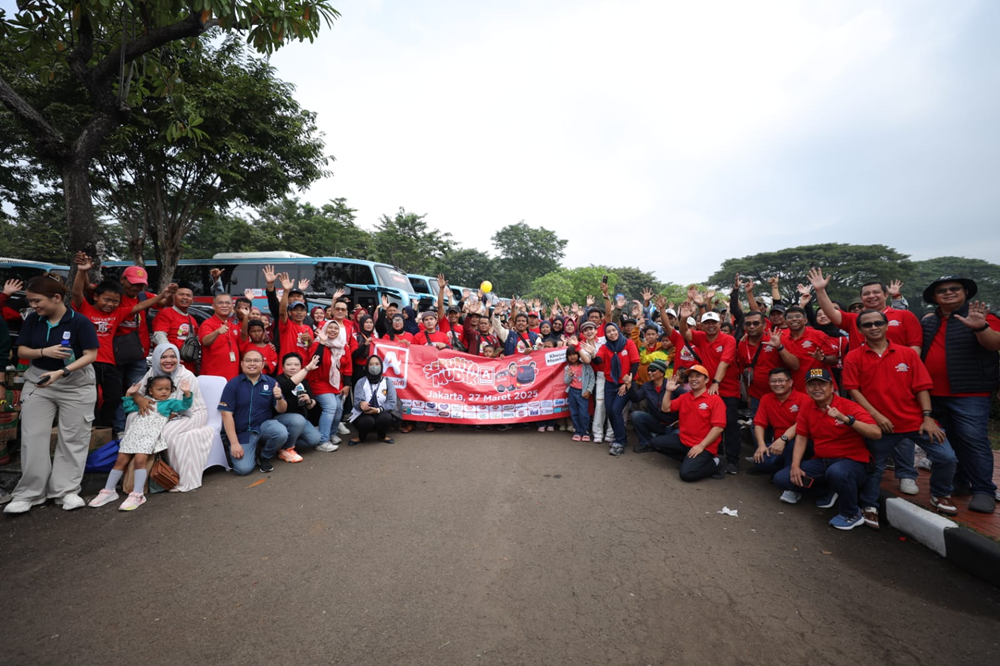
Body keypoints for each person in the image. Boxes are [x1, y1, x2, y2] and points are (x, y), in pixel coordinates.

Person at [844, 309, 959, 527]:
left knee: (947, 457)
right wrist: (876, 416)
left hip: (916, 421)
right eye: (867, 325)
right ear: (860, 330)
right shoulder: (854, 356)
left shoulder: (907, 354)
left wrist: (927, 417)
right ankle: (869, 505)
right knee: (875, 467)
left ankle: (941, 493)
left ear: (887, 326)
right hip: (882, 426)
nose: (873, 327)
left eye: (878, 323)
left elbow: (922, 388)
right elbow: (853, 390)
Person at [4, 276, 99, 514]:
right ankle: (29, 493)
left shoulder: (80, 321)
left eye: (37, 301)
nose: (33, 306)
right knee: (32, 435)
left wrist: (62, 371)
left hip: (75, 383)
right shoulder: (33, 320)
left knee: (73, 437)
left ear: (56, 298)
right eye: (30, 301)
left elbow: (90, 355)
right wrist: (44, 351)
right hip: (39, 380)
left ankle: (66, 491)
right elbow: (22, 350)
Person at [920, 275, 1000, 513]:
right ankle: (959, 482)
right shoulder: (928, 321)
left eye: (954, 288)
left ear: (965, 292)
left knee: (973, 440)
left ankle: (984, 489)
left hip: (970, 392)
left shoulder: (983, 316)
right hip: (934, 393)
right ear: (934, 298)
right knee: (948, 441)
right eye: (941, 290)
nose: (948, 292)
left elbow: (994, 344)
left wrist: (981, 327)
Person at [71, 253, 172, 428]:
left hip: (118, 360)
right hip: (93, 360)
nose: (111, 303)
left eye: (115, 301)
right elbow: (79, 290)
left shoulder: (119, 311)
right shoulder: (90, 307)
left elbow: (142, 306)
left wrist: (163, 294)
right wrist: (82, 271)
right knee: (91, 397)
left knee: (116, 396)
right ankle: (95, 427)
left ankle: (107, 427)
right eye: (107, 300)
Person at [773, 369, 882, 530]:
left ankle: (851, 513)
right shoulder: (807, 407)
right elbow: (801, 438)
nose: (817, 388)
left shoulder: (847, 406)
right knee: (782, 478)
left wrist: (845, 419)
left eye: (821, 384)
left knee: (837, 472)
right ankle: (829, 490)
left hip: (852, 463)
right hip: (822, 462)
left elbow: (876, 433)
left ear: (832, 387)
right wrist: (795, 466)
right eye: (812, 385)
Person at [88, 375, 193, 511]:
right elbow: (128, 408)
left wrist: (186, 392)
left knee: (139, 461)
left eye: (167, 389)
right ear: (150, 391)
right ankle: (108, 491)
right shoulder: (144, 401)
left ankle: (138, 494)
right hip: (133, 435)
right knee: (120, 461)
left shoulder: (170, 403)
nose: (164, 392)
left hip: (148, 437)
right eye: (159, 389)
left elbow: (185, 405)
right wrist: (128, 394)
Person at [129, 344, 217, 492]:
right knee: (132, 418)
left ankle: (173, 478)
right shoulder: (152, 372)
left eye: (173, 356)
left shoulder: (185, 376)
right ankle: (137, 473)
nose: (168, 360)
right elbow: (137, 391)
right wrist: (139, 399)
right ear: (156, 358)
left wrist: (155, 420)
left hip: (191, 412)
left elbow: (180, 407)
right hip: (162, 412)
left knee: (167, 433)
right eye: (163, 357)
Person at [673, 304, 742, 474]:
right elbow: (685, 333)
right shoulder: (701, 337)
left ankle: (732, 460)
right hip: (708, 389)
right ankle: (713, 455)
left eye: (714, 322)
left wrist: (716, 382)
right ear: (702, 326)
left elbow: (724, 362)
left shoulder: (728, 339)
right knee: (710, 423)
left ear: (720, 323)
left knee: (730, 423)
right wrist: (683, 318)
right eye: (707, 323)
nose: (711, 325)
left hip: (727, 389)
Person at [809, 268, 922, 353]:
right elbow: (831, 312)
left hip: (897, 372)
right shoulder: (853, 318)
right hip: (862, 375)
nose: (871, 296)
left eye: (876, 292)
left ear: (886, 295)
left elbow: (915, 346)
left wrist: (908, 369)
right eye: (866, 294)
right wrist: (820, 290)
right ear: (862, 298)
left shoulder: (905, 315)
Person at [648, 365, 726, 482]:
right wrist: (668, 391)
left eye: (698, 376)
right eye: (691, 376)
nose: (693, 379)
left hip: (704, 446)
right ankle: (689, 460)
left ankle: (716, 462)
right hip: (684, 441)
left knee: (687, 474)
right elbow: (666, 408)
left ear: (706, 380)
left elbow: (718, 428)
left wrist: (701, 446)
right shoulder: (685, 397)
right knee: (655, 443)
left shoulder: (715, 400)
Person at [218, 349, 289, 475]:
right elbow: (226, 414)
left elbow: (281, 409)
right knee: (243, 469)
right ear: (242, 364)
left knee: (281, 432)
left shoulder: (271, 382)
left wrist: (279, 398)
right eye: (248, 360)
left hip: (262, 427)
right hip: (242, 433)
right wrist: (234, 443)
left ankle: (264, 456)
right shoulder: (233, 384)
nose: (252, 363)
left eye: (256, 361)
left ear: (262, 364)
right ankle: (247, 449)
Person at [736, 311, 800, 415]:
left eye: (756, 323)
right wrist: (748, 396)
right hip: (756, 397)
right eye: (748, 324)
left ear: (764, 325)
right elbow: (744, 373)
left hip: (779, 395)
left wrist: (779, 347)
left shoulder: (777, 339)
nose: (752, 326)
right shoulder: (742, 344)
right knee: (757, 427)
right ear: (744, 326)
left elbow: (795, 365)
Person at [751, 368, 809, 478]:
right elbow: (759, 423)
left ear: (790, 382)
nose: (777, 384)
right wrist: (761, 445)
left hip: (798, 440)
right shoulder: (766, 399)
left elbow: (801, 424)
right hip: (777, 441)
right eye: (773, 381)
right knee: (761, 461)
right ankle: (781, 471)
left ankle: (789, 478)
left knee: (792, 445)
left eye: (781, 380)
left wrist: (783, 439)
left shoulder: (804, 399)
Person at [306, 319, 352, 448]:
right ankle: (322, 441)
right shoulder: (316, 344)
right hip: (319, 382)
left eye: (335, 328)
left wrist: (347, 384)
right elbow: (316, 362)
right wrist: (322, 342)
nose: (333, 330)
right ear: (325, 329)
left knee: (339, 409)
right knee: (331, 406)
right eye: (330, 327)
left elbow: (347, 367)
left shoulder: (343, 345)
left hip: (337, 383)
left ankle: (331, 434)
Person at [274, 353, 324, 461]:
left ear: (300, 367)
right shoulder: (278, 381)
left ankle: (279, 446)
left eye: (296, 365)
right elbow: (288, 386)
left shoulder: (304, 382)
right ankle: (288, 448)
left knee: (314, 440)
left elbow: (311, 405)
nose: (293, 367)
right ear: (283, 367)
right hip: (281, 418)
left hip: (300, 420)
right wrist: (307, 369)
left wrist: (309, 401)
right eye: (289, 364)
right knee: (298, 419)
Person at [623, 359, 676, 453]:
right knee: (636, 415)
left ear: (662, 373)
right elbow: (635, 398)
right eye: (649, 370)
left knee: (676, 442)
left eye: (653, 370)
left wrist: (681, 420)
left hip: (672, 425)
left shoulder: (671, 385)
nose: (649, 372)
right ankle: (646, 443)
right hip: (656, 422)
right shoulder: (646, 386)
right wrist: (629, 386)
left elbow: (687, 401)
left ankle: (658, 440)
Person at [348, 355, 399, 445]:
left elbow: (392, 402)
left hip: (381, 412)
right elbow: (356, 402)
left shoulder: (387, 381)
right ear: (367, 367)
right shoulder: (361, 381)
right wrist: (361, 404)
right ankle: (361, 437)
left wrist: (378, 410)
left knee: (386, 418)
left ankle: (382, 436)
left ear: (381, 366)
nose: (374, 367)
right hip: (364, 414)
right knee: (366, 421)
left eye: (377, 364)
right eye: (371, 364)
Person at [151, 283, 199, 372]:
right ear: (173, 297)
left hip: (188, 367)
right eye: (181, 294)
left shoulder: (192, 320)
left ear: (192, 300)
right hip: (168, 364)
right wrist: (171, 355)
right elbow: (159, 335)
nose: (185, 297)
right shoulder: (165, 313)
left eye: (188, 295)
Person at [199, 293, 243, 380]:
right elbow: (205, 341)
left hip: (232, 376)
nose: (224, 305)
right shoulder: (208, 323)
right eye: (220, 303)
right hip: (213, 376)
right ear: (214, 306)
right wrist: (217, 332)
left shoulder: (233, 325)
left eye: (227, 303)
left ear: (232, 306)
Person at [563, 345, 596, 441]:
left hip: (583, 392)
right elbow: (566, 382)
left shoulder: (586, 366)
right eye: (569, 355)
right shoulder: (568, 368)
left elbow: (592, 379)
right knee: (574, 412)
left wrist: (588, 391)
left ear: (578, 354)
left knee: (583, 413)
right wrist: (569, 376)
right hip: (572, 392)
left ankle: (585, 431)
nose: (572, 357)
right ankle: (577, 431)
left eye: (574, 354)